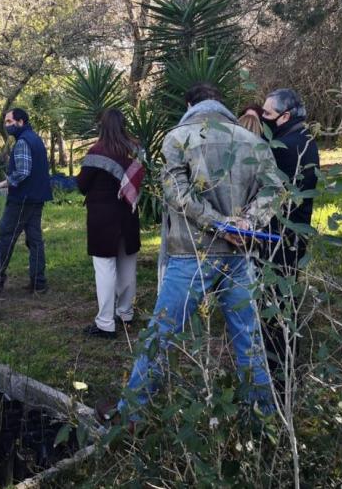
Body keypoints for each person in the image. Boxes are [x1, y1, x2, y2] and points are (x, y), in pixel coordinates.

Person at [116, 83, 284, 420]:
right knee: (248, 339)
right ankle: (265, 417)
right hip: (237, 257)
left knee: (160, 336)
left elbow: (177, 195)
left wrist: (220, 224)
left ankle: (131, 416)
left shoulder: (177, 138)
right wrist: (246, 224)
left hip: (190, 253)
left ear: (190, 104)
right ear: (221, 104)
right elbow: (276, 189)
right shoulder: (251, 139)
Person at [257, 88, 320, 376]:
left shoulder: (285, 146)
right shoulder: (303, 138)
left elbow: (270, 193)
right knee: (285, 301)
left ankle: (277, 373)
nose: (263, 118)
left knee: (274, 306)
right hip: (293, 234)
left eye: (267, 114)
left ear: (285, 116)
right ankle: (284, 366)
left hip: (278, 236)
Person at [76, 109, 145, 339]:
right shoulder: (135, 151)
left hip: (102, 218)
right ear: (124, 125)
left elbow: (82, 185)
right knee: (127, 266)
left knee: (105, 268)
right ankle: (125, 313)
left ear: (102, 127)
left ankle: (105, 323)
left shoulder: (97, 151)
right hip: (128, 214)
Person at [0, 108, 53, 294]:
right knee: (35, 240)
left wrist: (1, 184)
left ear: (21, 122)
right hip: (37, 197)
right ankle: (39, 282)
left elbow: (23, 172)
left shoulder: (23, 142)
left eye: (10, 122)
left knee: (5, 238)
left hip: (21, 199)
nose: (7, 125)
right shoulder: (35, 138)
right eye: (6, 122)